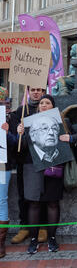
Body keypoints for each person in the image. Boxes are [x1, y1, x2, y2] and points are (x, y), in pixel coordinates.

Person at [17, 95, 69, 254]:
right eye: (41, 103)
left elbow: (70, 142)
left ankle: (52, 238)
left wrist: (67, 137)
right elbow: (23, 146)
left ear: (53, 106)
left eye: (48, 103)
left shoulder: (61, 122)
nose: (44, 105)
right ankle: (33, 240)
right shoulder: (28, 121)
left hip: (54, 166)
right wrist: (20, 133)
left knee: (53, 203)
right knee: (34, 203)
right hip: (32, 167)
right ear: (38, 106)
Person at [9, 87, 48, 245]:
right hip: (24, 160)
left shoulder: (47, 109)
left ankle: (44, 226)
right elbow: (12, 137)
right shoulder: (20, 111)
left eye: (39, 90)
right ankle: (24, 226)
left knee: (44, 194)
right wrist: (18, 131)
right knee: (23, 194)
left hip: (43, 159)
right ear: (28, 92)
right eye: (33, 90)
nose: (36, 92)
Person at [0, 92, 17, 258]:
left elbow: (16, 143)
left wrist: (7, 133)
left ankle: (0, 243)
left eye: (5, 103)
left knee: (1, 201)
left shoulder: (11, 120)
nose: (3, 105)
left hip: (1, 165)